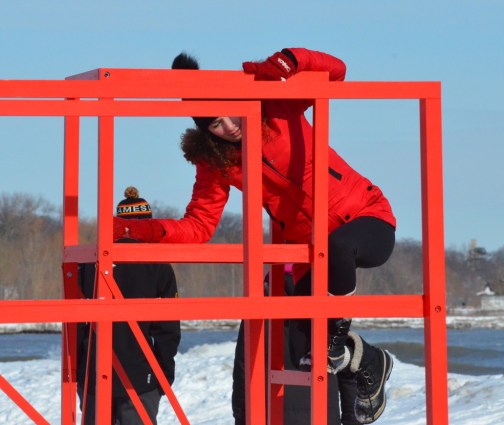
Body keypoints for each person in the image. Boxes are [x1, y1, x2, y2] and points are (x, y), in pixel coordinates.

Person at [113, 48, 396, 424]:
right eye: (216, 124)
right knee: (304, 341)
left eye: (231, 113)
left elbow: (337, 71)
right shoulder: (217, 163)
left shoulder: (277, 106)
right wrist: (137, 230)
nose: (230, 126)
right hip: (307, 250)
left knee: (338, 258)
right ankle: (368, 365)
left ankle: (339, 338)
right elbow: (198, 226)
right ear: (205, 131)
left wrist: (292, 60)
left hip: (365, 216)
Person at [78, 186, 181, 425]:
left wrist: (80, 372)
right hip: (140, 377)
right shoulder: (158, 266)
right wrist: (164, 376)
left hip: (92, 376)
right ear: (147, 223)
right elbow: (168, 331)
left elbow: (77, 324)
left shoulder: (88, 263)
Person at [231, 265, 361, 425]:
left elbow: (243, 368)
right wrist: (352, 417)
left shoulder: (258, 306)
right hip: (324, 413)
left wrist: (242, 418)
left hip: (270, 413)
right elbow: (347, 365)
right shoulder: (330, 303)